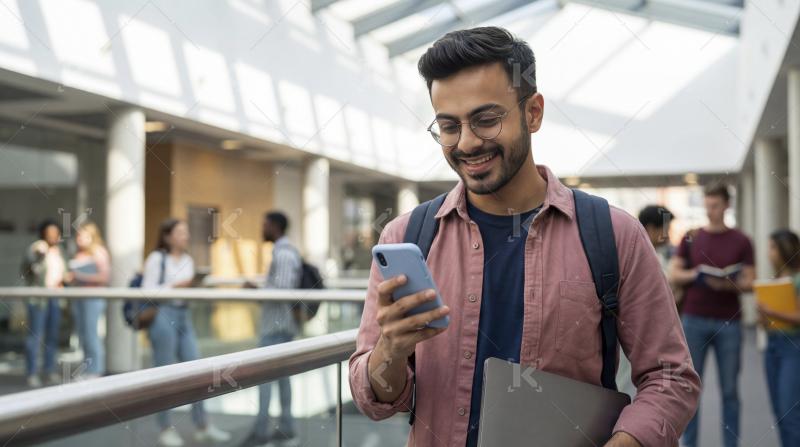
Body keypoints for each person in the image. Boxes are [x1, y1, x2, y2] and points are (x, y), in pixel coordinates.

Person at [349, 26, 700, 447]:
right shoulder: (406, 236)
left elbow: (670, 378)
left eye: (486, 119)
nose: (467, 143)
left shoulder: (614, 235)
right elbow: (376, 401)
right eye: (448, 126)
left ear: (533, 112)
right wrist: (390, 349)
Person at [669, 183, 755, 447]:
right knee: (691, 389)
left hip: (729, 322)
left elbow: (751, 282)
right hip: (694, 320)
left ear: (726, 205)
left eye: (715, 206)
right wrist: (698, 274)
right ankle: (689, 444)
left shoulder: (741, 240)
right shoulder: (691, 237)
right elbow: (674, 273)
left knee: (729, 391)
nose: (710, 211)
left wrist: (727, 283)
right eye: (707, 206)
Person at [142, 219, 230, 447]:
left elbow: (188, 290)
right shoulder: (156, 259)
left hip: (183, 314)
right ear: (167, 236)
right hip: (163, 314)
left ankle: (203, 425)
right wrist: (176, 287)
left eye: (186, 232)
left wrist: (194, 286)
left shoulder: (189, 260)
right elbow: (147, 291)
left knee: (197, 370)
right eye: (180, 232)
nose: (185, 236)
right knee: (165, 373)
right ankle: (164, 429)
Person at [241, 211, 301, 447]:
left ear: (275, 226)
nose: (262, 228)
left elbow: (283, 290)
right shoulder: (282, 251)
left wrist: (256, 291)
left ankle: (261, 431)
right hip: (280, 326)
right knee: (281, 379)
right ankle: (285, 426)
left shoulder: (284, 253)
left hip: (277, 327)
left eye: (265, 224)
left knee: (264, 378)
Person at [756, 229, 800, 446]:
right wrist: (764, 317)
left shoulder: (797, 280)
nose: (769, 253)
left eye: (772, 247)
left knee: (789, 410)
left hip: (793, 347)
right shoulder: (777, 279)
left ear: (785, 249)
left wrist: (771, 312)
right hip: (773, 344)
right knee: (779, 413)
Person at [21, 219, 68, 388]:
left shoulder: (60, 251)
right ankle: (32, 372)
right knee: (35, 336)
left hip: (55, 298)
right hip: (38, 299)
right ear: (43, 234)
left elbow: (64, 272)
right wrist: (40, 256)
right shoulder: (36, 248)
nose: (53, 236)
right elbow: (28, 270)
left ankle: (49, 370)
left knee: (52, 336)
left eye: (56, 233)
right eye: (49, 233)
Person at [68, 221, 110, 379]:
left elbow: (104, 277)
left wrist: (80, 276)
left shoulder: (99, 252)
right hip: (79, 298)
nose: (79, 238)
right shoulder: (78, 254)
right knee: (83, 335)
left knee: (92, 335)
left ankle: (95, 370)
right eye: (78, 235)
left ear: (92, 236)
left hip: (93, 299)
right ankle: (87, 368)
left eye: (83, 235)